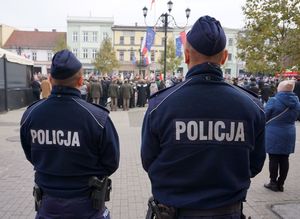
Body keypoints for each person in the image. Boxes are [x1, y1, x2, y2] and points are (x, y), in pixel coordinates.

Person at [141, 16, 266, 219]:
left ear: (187, 55)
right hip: (228, 212)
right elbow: (255, 164)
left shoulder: (160, 105)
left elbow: (149, 160)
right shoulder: (251, 106)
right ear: (224, 57)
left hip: (174, 211)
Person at [20, 49, 120, 219]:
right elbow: (111, 162)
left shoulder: (31, 115)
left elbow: (31, 154)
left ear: (50, 80)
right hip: (87, 207)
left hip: (47, 206)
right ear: (81, 81)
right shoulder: (97, 118)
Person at [264, 80, 300, 192]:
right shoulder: (297, 101)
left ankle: (273, 183)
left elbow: (264, 116)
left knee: (273, 158)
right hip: (289, 132)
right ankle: (281, 184)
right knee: (285, 158)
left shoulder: (273, 100)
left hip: (273, 132)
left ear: (279, 89)